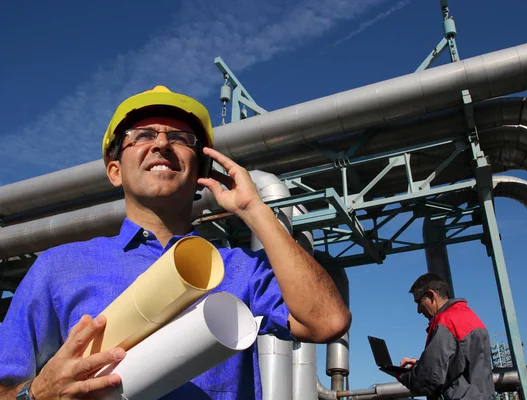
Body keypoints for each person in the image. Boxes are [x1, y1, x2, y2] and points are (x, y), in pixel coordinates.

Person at [0, 86, 352, 400]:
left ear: (201, 171)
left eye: (182, 138)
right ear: (115, 170)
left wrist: (254, 209)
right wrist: (36, 395)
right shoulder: (58, 268)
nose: (162, 144)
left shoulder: (241, 270)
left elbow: (328, 321)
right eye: (141, 135)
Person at [396, 273, 494, 400]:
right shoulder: (471, 317)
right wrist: (421, 364)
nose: (419, 310)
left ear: (431, 295)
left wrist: (401, 375)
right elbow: (461, 368)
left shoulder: (446, 322)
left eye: (419, 302)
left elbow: (427, 380)